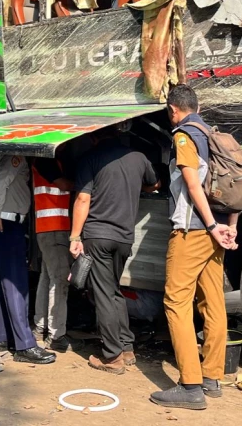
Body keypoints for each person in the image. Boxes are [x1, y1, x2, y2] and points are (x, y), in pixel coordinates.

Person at [150, 84, 238, 410]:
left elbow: (191, 182)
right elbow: (236, 184)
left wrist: (213, 227)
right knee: (212, 301)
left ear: (173, 110)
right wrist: (228, 226)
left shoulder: (184, 136)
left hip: (193, 231)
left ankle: (190, 385)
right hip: (214, 233)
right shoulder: (215, 136)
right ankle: (212, 376)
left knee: (176, 302)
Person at [70, 126, 158, 374]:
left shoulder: (90, 159)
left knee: (103, 295)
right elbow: (154, 184)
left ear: (95, 136)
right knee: (114, 291)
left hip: (97, 236)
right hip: (124, 238)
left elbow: (83, 199)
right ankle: (127, 348)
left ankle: (112, 357)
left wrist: (75, 236)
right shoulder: (139, 158)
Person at [0, 150, 56, 364]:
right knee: (16, 282)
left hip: (0, 220)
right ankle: (24, 345)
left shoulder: (2, 155)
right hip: (6, 222)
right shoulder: (16, 155)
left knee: (2, 280)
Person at [32, 155, 74, 352]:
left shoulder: (49, 161)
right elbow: (64, 184)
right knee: (59, 280)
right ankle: (56, 335)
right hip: (54, 227)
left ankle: (40, 328)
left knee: (47, 278)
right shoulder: (45, 161)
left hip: (48, 227)